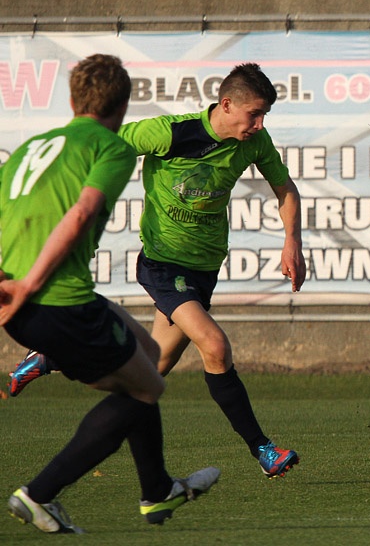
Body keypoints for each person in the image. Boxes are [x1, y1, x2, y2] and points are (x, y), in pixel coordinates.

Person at [7, 62, 306, 479]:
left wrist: (293, 240)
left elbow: (285, 189)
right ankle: (264, 449)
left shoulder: (254, 143)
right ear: (226, 104)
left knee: (149, 374)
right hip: (164, 265)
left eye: (264, 116)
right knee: (215, 346)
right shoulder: (169, 132)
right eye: (253, 114)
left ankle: (51, 362)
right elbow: (101, 145)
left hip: (203, 270)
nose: (258, 124)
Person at [0, 54, 219, 534]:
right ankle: (39, 494)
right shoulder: (111, 147)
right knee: (147, 387)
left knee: (146, 350)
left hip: (26, 295)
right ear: (123, 104)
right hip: (55, 300)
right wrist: (31, 285)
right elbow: (80, 215)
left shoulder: (31, 148)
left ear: (74, 99)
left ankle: (156, 490)